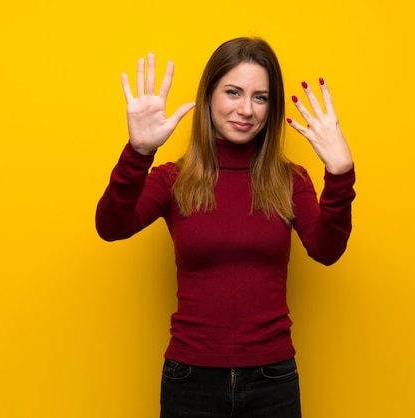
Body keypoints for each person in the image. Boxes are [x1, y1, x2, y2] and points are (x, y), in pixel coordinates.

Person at [96, 37, 355, 418]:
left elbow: (326, 251)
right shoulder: (174, 179)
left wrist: (340, 176)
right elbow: (111, 226)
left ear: (272, 107)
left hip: (273, 379)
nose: (246, 109)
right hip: (190, 379)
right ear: (209, 96)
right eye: (233, 92)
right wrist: (138, 153)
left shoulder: (289, 180)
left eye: (261, 97)